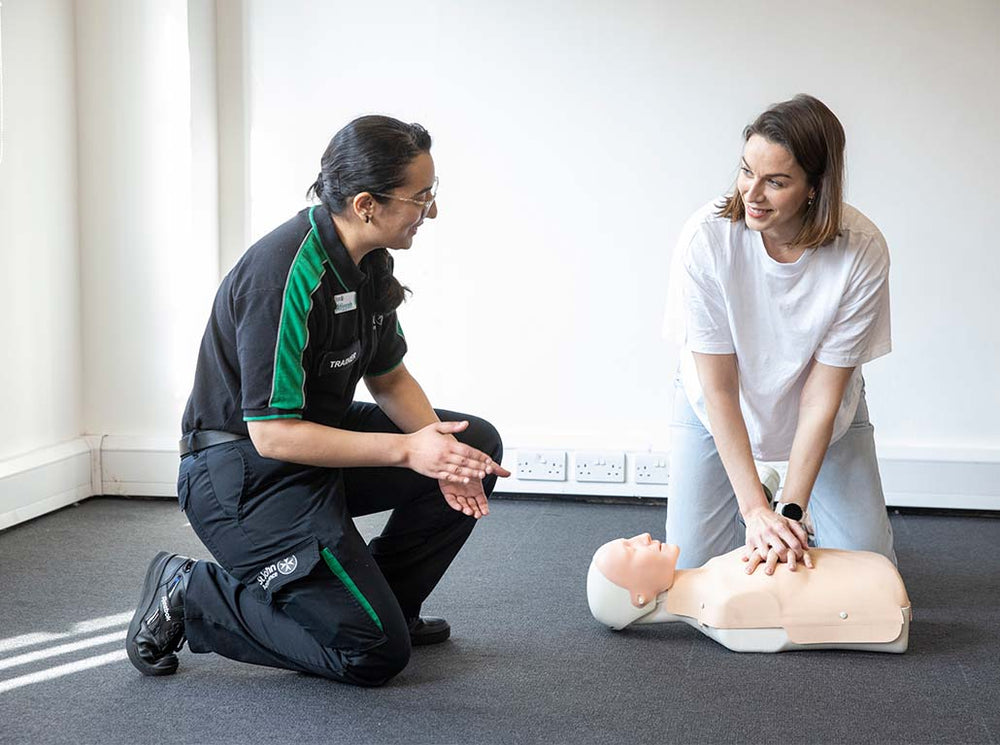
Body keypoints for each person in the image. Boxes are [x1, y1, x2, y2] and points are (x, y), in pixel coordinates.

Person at [125, 115, 510, 687]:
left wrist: (439, 452)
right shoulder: (283, 274)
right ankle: (191, 594)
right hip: (240, 477)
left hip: (310, 452)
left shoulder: (367, 261)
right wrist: (408, 453)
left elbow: (389, 376)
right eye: (421, 196)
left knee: (469, 442)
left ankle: (384, 602)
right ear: (365, 204)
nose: (432, 210)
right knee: (373, 656)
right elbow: (272, 434)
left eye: (434, 192)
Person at [662, 94, 895, 574]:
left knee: (872, 572)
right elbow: (720, 388)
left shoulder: (861, 251)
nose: (752, 193)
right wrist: (754, 512)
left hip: (823, 414)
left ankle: (782, 494)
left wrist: (787, 513)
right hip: (717, 403)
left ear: (815, 188)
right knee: (692, 573)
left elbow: (821, 397)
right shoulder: (706, 239)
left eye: (776, 182)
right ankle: (757, 487)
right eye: (747, 171)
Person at [587, 534, 911, 653]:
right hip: (877, 591)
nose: (643, 536)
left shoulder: (713, 577)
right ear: (640, 597)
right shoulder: (721, 604)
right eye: (631, 550)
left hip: (874, 578)